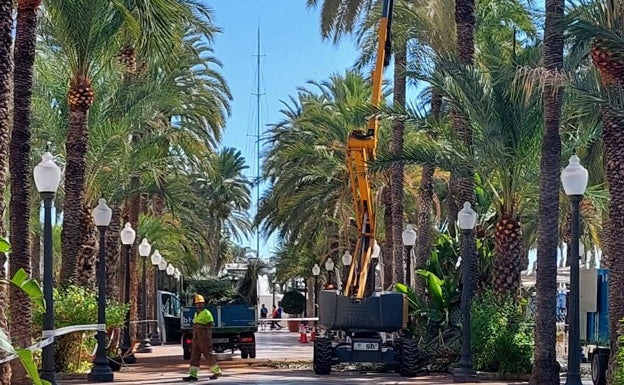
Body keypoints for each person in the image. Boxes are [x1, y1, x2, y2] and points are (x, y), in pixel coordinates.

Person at [183, 294, 222, 382]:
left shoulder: (207, 313)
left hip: (204, 338)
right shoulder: (196, 313)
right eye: (197, 303)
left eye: (200, 303)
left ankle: (217, 372)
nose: (199, 305)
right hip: (196, 338)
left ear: (203, 304)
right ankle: (193, 375)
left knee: (208, 355)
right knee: (194, 356)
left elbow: (211, 324)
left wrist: (201, 326)